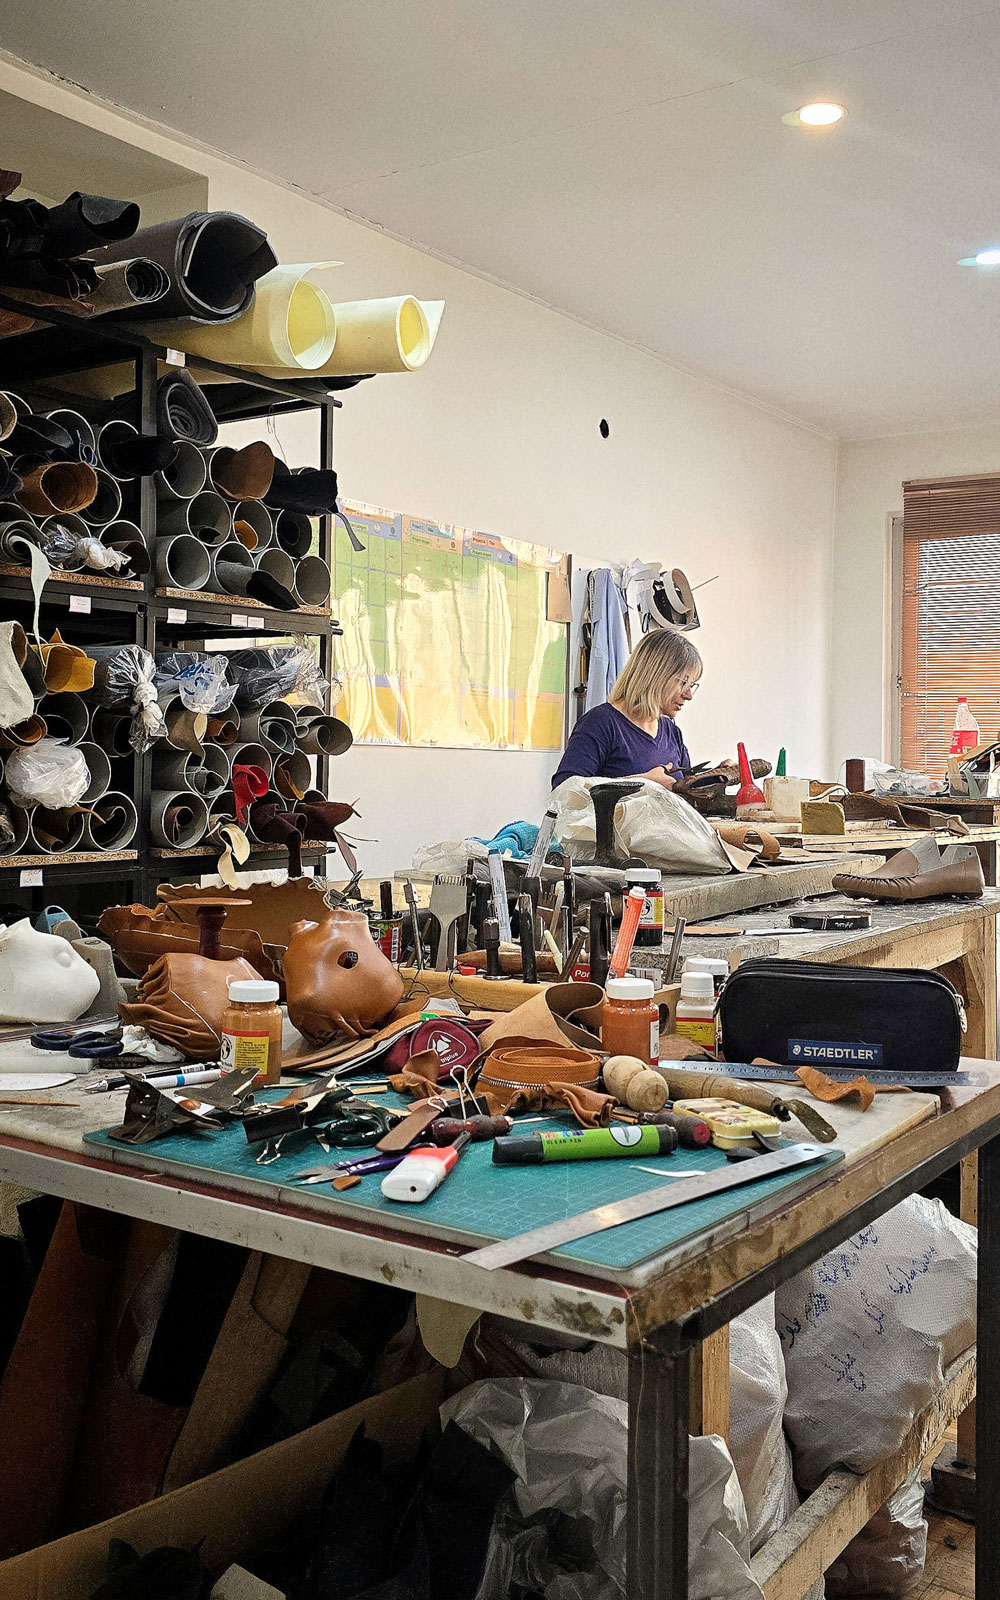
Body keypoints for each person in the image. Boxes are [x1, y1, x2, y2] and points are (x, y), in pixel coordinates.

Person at [552, 628, 701, 789]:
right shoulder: (601, 723)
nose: (688, 695)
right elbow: (564, 790)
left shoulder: (671, 732)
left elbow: (686, 788)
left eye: (691, 685)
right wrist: (641, 783)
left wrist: (716, 777)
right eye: (683, 683)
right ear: (656, 675)